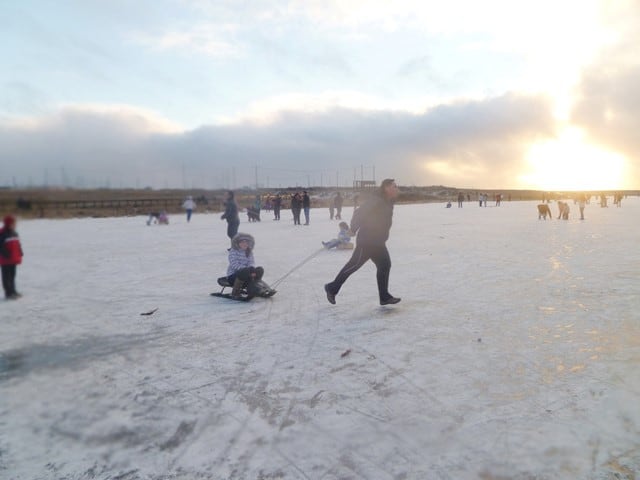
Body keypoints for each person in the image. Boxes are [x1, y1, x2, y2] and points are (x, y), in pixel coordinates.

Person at [324, 178, 401, 306]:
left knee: (384, 265)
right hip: (368, 241)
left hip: (379, 242)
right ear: (386, 188)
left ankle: (384, 297)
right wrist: (353, 228)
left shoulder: (388, 201)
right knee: (353, 265)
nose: (396, 188)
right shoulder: (376, 200)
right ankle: (332, 288)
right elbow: (359, 212)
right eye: (394, 186)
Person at [224, 233, 273, 299]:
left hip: (247, 274)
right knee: (244, 271)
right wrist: (248, 269)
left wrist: (252, 268)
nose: (244, 244)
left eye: (246, 242)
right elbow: (234, 264)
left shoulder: (249, 251)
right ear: (238, 243)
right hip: (233, 277)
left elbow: (251, 262)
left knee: (259, 269)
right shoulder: (233, 251)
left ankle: (257, 289)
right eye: (242, 242)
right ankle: (235, 292)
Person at [0, 215, 24, 300]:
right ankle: (8, 293)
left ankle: (13, 291)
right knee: (6, 277)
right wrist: (6, 254)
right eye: (13, 223)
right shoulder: (3, 233)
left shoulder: (14, 233)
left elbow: (18, 244)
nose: (15, 225)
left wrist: (20, 251)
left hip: (13, 259)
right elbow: (1, 246)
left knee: (13, 276)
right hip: (6, 259)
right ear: (8, 224)